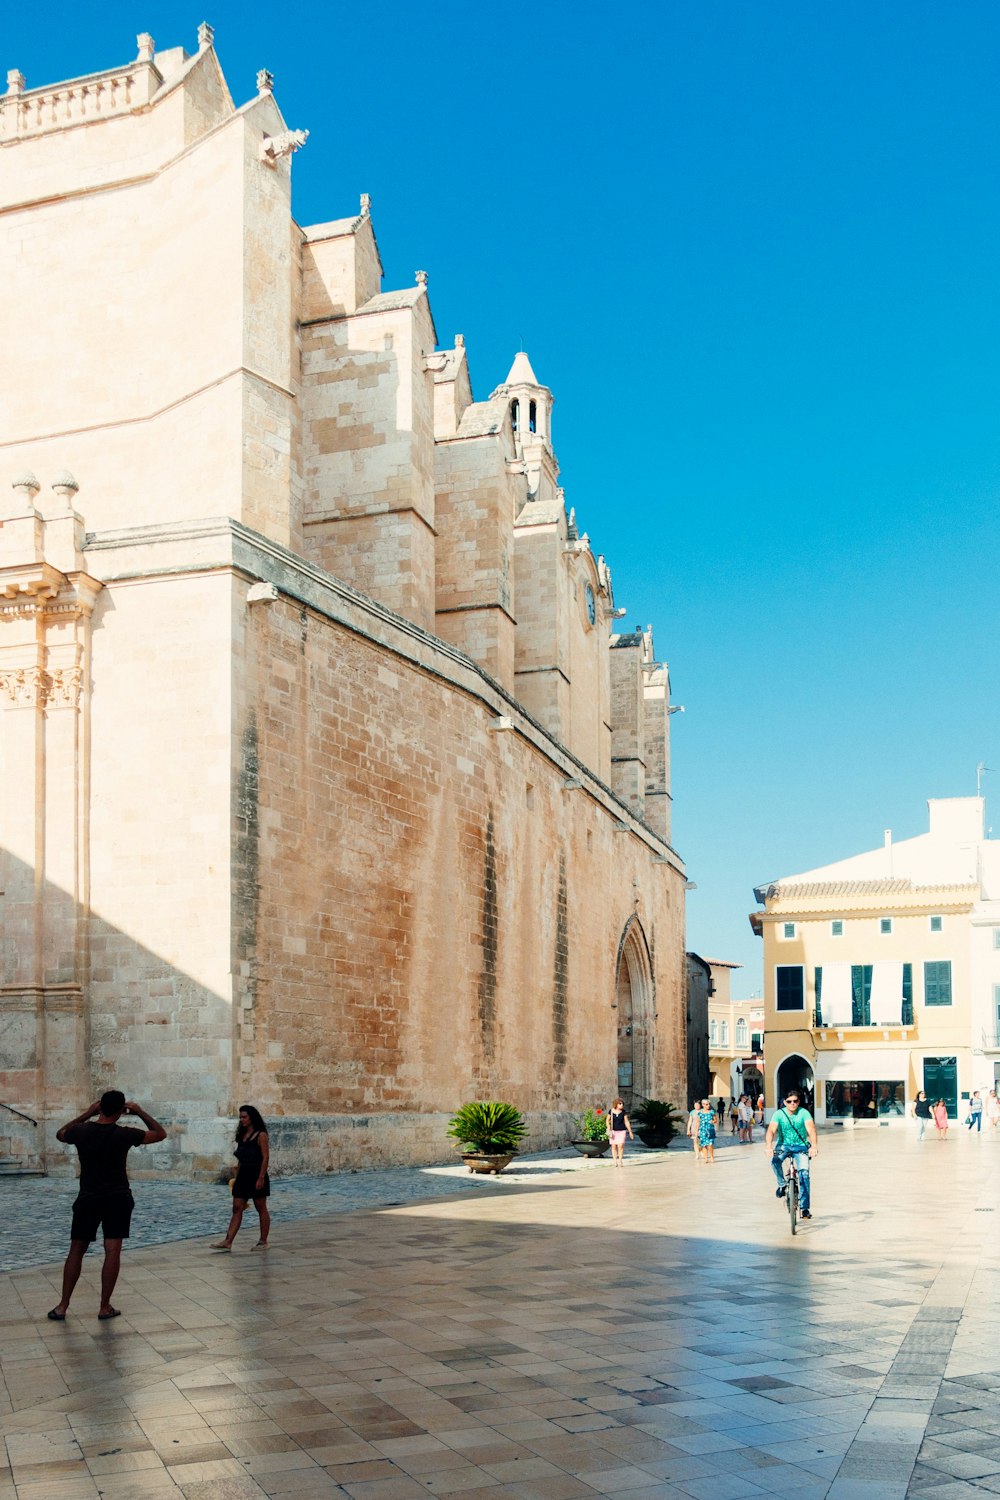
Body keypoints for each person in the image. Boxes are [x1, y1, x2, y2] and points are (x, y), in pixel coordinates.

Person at [49, 1090, 167, 1321]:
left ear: (100, 1107)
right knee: (112, 1250)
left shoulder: (81, 1131)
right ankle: (104, 1306)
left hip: (88, 1197)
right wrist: (140, 1111)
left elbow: (60, 1133)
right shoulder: (124, 1134)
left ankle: (63, 1305)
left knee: (76, 1250)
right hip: (117, 1197)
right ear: (121, 1112)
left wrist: (87, 1113)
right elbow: (159, 1134)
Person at [212, 1105, 272, 1249]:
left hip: (257, 1175)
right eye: (240, 1117)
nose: (242, 1120)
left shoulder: (261, 1135)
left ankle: (263, 1241)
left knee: (260, 1207)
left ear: (252, 1117)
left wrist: (261, 1177)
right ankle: (228, 1241)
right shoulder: (242, 1136)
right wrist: (236, 1177)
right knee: (237, 1207)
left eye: (244, 1117)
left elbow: (265, 1157)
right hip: (243, 1176)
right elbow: (240, 1159)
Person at [765, 1089, 818, 1220]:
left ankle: (805, 1208)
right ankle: (782, 1185)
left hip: (801, 1147)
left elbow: (811, 1129)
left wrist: (814, 1146)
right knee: (775, 1161)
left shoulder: (804, 1113)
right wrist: (768, 1146)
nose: (792, 1104)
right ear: (785, 1102)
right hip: (784, 1146)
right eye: (789, 1101)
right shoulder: (779, 1114)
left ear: (799, 1102)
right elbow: (771, 1130)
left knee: (804, 1174)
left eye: (795, 1101)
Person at [605, 1098, 634, 1167]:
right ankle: (615, 1161)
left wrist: (630, 1131)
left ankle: (620, 1160)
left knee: (620, 1145)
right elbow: (607, 1120)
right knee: (614, 1146)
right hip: (613, 1131)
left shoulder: (623, 1112)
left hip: (622, 1131)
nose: (622, 1105)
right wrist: (608, 1127)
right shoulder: (611, 1111)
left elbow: (626, 1122)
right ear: (616, 1104)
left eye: (622, 1104)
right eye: (620, 1104)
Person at [697, 1099, 716, 1163]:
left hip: (710, 1129)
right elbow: (698, 1122)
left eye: (709, 1104)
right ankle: (706, 1158)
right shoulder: (700, 1112)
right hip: (702, 1130)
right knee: (703, 1145)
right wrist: (697, 1131)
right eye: (706, 1104)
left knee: (710, 1144)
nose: (708, 1105)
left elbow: (715, 1120)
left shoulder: (712, 1112)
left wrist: (713, 1121)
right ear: (703, 1105)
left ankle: (712, 1156)